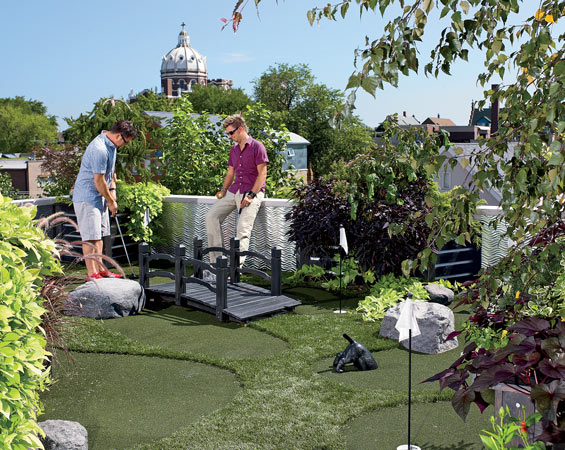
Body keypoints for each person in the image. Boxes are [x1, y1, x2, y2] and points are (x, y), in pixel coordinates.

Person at [72, 120, 138, 280]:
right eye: (125, 141)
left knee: (99, 236)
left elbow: (111, 171)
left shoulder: (111, 147)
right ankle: (92, 274)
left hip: (99, 196)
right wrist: (110, 201)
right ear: (117, 135)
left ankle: (101, 270)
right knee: (90, 239)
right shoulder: (99, 148)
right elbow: (99, 180)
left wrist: (113, 190)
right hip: (87, 197)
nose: (124, 144)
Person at [205, 113, 268, 277]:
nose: (229, 136)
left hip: (251, 191)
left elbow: (262, 175)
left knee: (242, 229)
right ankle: (216, 263)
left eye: (231, 133)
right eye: (227, 134)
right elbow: (230, 173)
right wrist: (224, 189)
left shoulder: (257, 147)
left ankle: (233, 270)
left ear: (240, 129)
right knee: (211, 216)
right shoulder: (233, 150)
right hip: (234, 191)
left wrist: (251, 195)